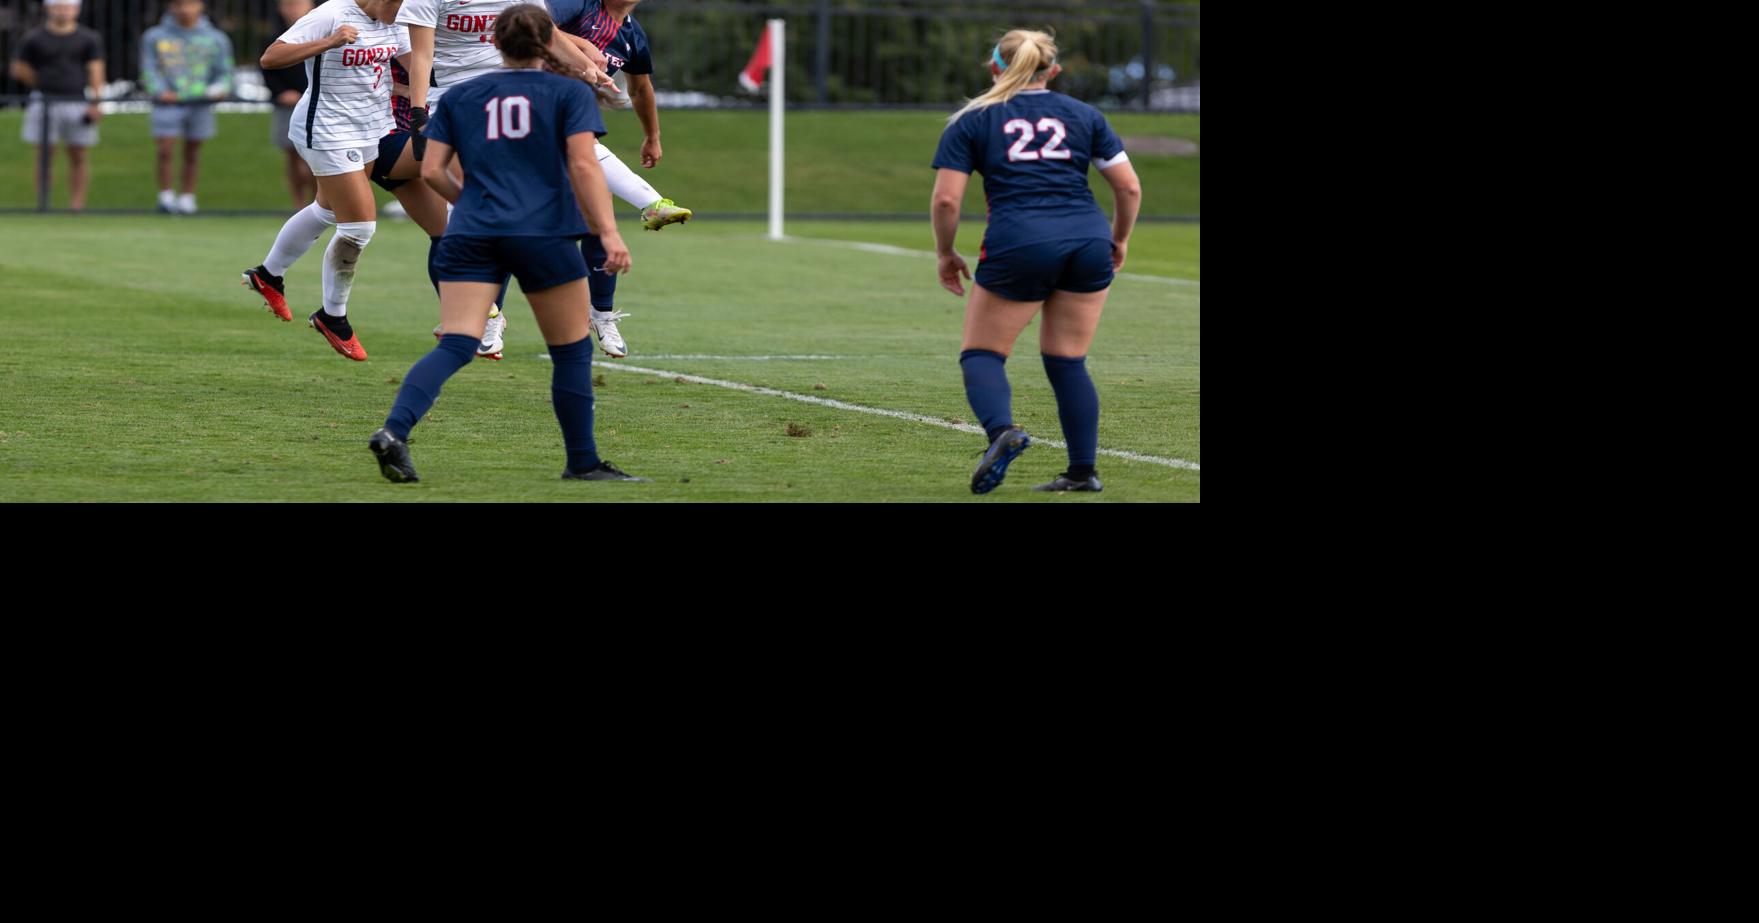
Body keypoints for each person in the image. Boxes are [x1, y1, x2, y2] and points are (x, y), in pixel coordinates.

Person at [369, 3, 642, 484]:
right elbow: (582, 165)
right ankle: (582, 461)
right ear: (546, 45)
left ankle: (395, 430)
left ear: (494, 42)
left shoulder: (460, 96)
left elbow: (431, 170)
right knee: (572, 352)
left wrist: (471, 202)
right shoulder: (568, 93)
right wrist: (608, 231)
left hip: (471, 233)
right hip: (544, 234)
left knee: (456, 343)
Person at [930, 30, 1142, 494]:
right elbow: (1128, 187)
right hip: (1087, 239)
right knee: (1068, 361)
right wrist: (1119, 238)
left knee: (982, 353)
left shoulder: (972, 119)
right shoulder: (1085, 114)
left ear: (994, 68)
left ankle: (1001, 431)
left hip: (1019, 240)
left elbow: (947, 200)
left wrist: (946, 252)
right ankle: (1082, 472)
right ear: (1054, 70)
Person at [392, 0, 615, 359]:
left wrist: (589, 69)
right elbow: (422, 55)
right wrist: (419, 114)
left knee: (582, 162)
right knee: (479, 202)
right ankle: (486, 311)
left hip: (515, 92)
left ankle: (485, 310)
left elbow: (548, 34)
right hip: (456, 98)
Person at [240, 0, 411, 362]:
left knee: (327, 211)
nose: (405, 10)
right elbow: (271, 58)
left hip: (371, 128)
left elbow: (418, 69)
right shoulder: (333, 13)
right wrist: (329, 42)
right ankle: (332, 316)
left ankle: (268, 275)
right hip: (327, 130)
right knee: (360, 227)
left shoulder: (398, 19)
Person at [546, 0, 692, 358]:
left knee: (600, 220)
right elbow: (532, 27)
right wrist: (585, 49)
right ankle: (490, 315)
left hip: (575, 126)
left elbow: (640, 88)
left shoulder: (632, 34)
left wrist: (653, 136)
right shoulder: (575, 6)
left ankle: (602, 314)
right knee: (506, 222)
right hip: (533, 110)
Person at [9, 0, 104, 212]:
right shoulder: (34, 38)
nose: (63, 11)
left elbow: (96, 70)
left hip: (77, 100)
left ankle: (77, 206)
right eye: (59, 6)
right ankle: (44, 203)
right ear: (49, 9)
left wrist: (96, 102)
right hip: (44, 100)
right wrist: (42, 82)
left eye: (68, 7)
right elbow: (18, 68)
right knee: (44, 154)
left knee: (79, 154)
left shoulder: (88, 38)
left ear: (77, 10)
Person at [141, 0, 233, 215]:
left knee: (193, 151)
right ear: (172, 7)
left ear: (201, 6)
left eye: (190, 4)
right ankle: (165, 196)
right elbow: (149, 68)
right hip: (167, 102)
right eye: (179, 4)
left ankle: (187, 198)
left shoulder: (216, 38)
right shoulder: (155, 36)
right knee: (165, 148)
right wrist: (160, 91)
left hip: (200, 102)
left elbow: (225, 72)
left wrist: (216, 89)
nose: (185, 9)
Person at [263, 0, 317, 210]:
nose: (293, 9)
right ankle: (299, 205)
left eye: (298, 4)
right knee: (292, 157)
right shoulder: (274, 40)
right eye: (288, 4)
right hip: (287, 105)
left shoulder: (324, 35)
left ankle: (317, 205)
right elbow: (267, 70)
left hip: (317, 104)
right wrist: (281, 93)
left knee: (315, 161)